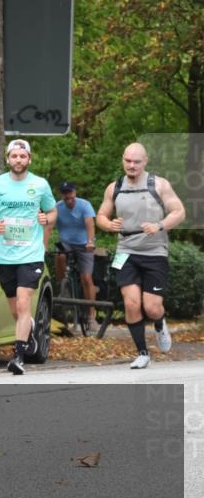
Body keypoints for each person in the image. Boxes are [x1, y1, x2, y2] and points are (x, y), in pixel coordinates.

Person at [96, 142, 186, 369]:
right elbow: (101, 216)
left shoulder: (159, 184)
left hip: (154, 251)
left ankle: (159, 322)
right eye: (128, 161)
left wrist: (160, 225)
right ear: (123, 160)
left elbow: (179, 212)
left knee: (152, 307)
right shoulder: (114, 187)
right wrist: (109, 225)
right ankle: (142, 353)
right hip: (126, 251)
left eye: (136, 161)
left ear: (145, 161)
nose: (132, 165)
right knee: (132, 303)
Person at [0, 139, 57, 375]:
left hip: (31, 254)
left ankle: (19, 357)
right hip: (4, 255)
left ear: (29, 159)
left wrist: (47, 219)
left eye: (23, 156)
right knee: (16, 310)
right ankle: (28, 330)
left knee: (23, 303)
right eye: (14, 156)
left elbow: (52, 211)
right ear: (8, 158)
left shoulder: (40, 185)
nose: (18, 160)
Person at [44, 181, 98, 330]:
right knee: (60, 255)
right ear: (62, 194)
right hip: (66, 243)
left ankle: (91, 316)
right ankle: (64, 285)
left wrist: (90, 242)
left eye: (70, 192)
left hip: (84, 244)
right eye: (65, 193)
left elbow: (90, 225)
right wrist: (44, 246)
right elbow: (48, 227)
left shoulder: (84, 205)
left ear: (75, 192)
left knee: (86, 277)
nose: (68, 196)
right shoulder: (57, 207)